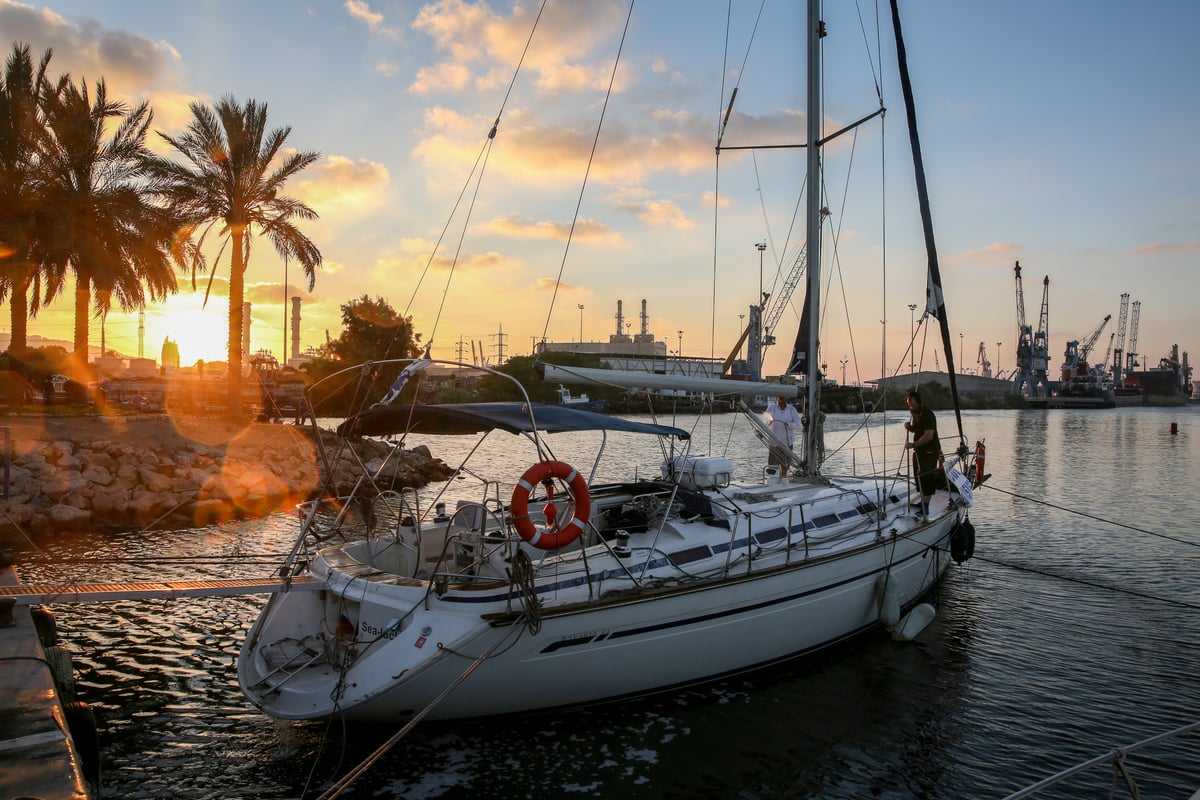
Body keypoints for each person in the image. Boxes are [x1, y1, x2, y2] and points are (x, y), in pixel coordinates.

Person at [903, 390, 942, 516]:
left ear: (919, 403)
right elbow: (918, 429)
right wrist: (910, 427)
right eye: (909, 406)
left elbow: (928, 436)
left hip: (929, 451)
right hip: (919, 451)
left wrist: (913, 445)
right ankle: (922, 502)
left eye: (913, 405)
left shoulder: (928, 415)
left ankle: (925, 507)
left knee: (927, 477)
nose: (911, 408)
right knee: (918, 476)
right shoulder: (916, 415)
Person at [765, 395, 802, 477]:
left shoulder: (791, 409)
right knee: (772, 466)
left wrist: (789, 425)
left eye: (783, 396)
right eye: (779, 396)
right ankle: (772, 482)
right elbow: (766, 423)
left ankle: (783, 480)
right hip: (774, 442)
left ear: (786, 397)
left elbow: (797, 425)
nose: (781, 397)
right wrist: (770, 422)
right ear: (776, 397)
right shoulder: (771, 408)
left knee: (785, 465)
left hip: (787, 442)